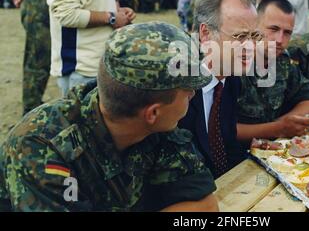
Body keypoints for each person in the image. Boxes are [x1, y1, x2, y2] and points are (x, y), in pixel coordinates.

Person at [0, 22, 218, 212]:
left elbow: (204, 206)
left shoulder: (160, 129)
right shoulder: (41, 147)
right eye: (187, 89)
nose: (192, 93)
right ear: (152, 113)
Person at [178, 0, 259, 178]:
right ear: (206, 34)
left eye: (255, 36)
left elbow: (226, 145)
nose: (250, 47)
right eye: (240, 36)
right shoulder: (179, 87)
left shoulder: (231, 79)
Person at [237, 0, 309, 144]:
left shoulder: (282, 60)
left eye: (287, 32)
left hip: (270, 150)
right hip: (235, 158)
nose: (280, 39)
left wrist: (283, 123)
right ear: (254, 25)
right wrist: (277, 128)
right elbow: (219, 130)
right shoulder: (235, 62)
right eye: (273, 29)